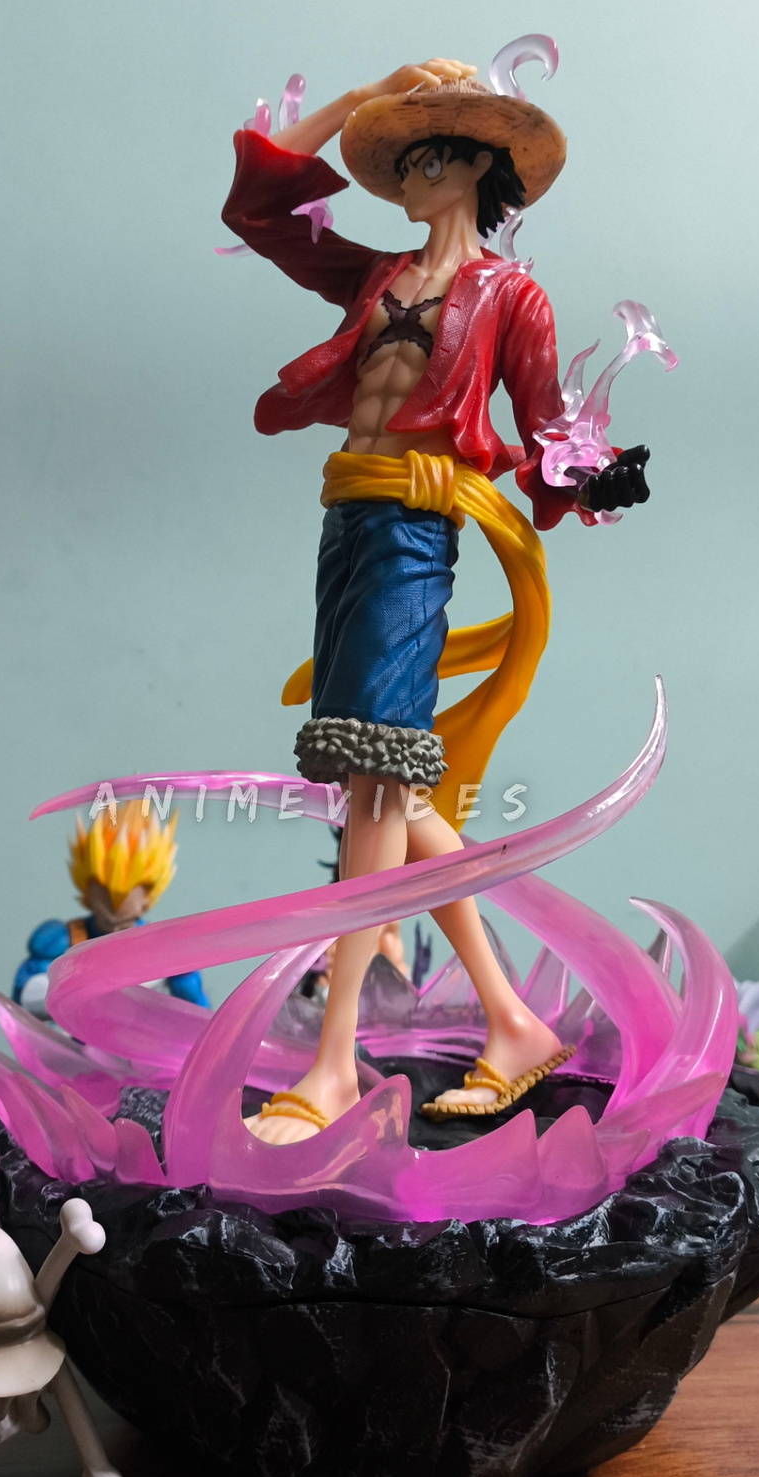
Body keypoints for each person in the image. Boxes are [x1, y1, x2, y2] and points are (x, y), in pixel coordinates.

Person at [222, 57, 654, 1143]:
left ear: (470, 169)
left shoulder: (511, 296)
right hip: (349, 521)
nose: (405, 178)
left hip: (417, 529)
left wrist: (592, 479)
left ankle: (334, 1067)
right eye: (402, 157)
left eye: (422, 159)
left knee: (375, 777)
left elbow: (547, 430)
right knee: (379, 776)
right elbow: (259, 209)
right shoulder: (375, 276)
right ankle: (512, 1021)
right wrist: (371, 92)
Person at [13, 809, 207, 1020]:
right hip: (83, 1037)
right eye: (105, 896)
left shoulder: (162, 947)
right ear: (88, 894)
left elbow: (197, 1011)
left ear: (145, 900)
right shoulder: (62, 941)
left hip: (142, 1036)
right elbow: (24, 1002)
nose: (115, 908)